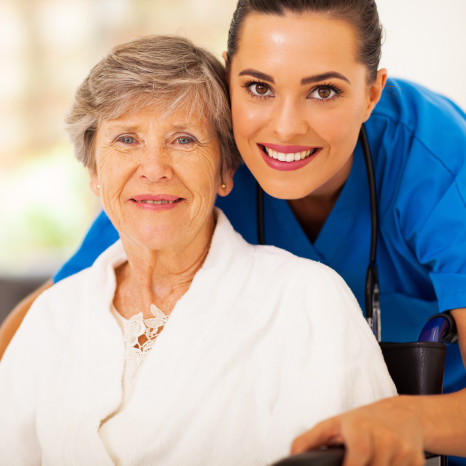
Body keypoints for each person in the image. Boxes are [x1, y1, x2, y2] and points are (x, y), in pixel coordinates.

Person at [1, 0, 465, 462]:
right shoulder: (182, 174)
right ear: (229, 77)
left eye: (323, 91)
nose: (285, 127)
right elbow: (54, 315)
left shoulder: (438, 163)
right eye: (259, 86)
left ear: (371, 92)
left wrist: (408, 418)